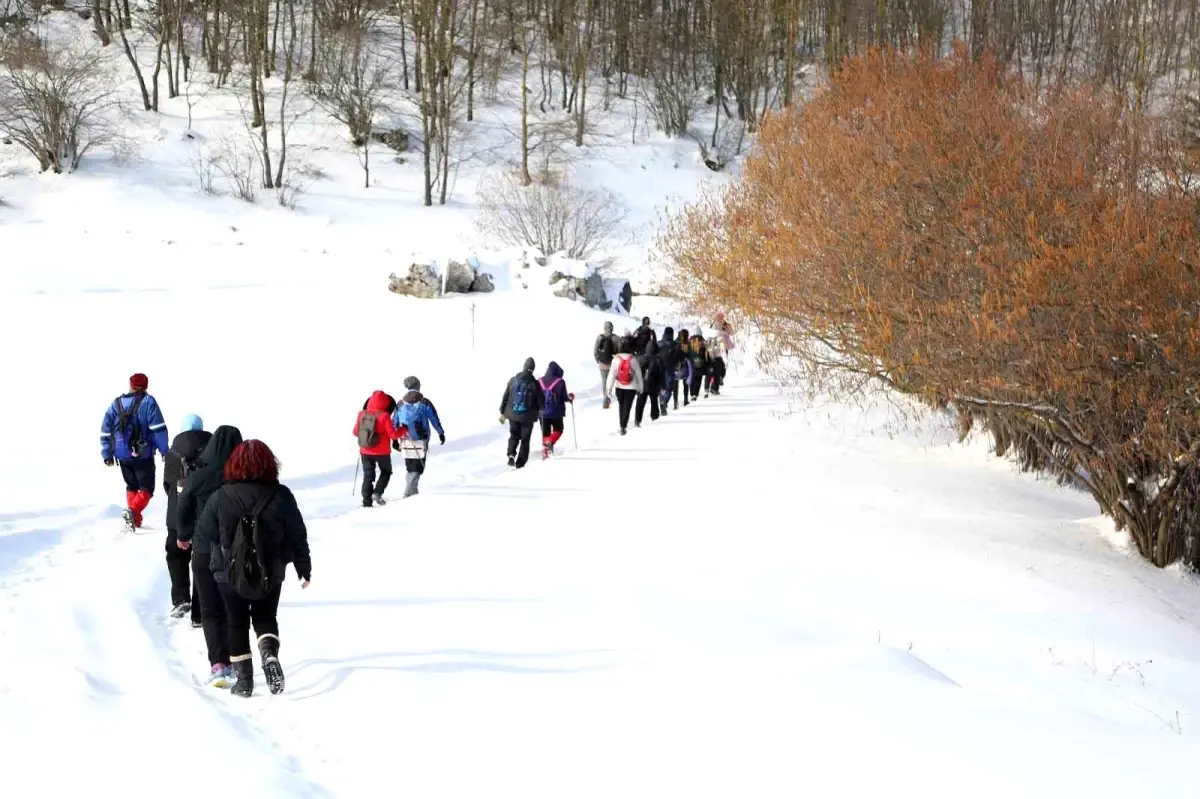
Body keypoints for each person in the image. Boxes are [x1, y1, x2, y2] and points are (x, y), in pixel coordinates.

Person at [197, 439, 311, 698]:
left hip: (228, 572)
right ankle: (269, 652)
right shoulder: (281, 495)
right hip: (271, 570)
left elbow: (204, 532)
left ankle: (244, 682)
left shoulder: (220, 497)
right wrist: (304, 567)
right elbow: (297, 534)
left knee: (236, 623)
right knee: (265, 617)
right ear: (270, 464)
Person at [177, 425, 243, 688]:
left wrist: (183, 535)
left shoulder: (198, 476)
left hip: (204, 549)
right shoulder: (242, 476)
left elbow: (183, 506)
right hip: (235, 551)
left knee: (209, 609)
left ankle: (218, 663)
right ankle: (238, 659)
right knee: (233, 607)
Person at [101, 373, 170, 530]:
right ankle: (132, 511)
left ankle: (135, 520)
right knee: (147, 489)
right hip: (142, 454)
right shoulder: (148, 401)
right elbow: (158, 429)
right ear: (146, 386)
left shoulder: (116, 404)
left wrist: (107, 453)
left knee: (131, 486)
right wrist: (165, 451)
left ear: (130, 385)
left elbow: (106, 430)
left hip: (122, 455)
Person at [164, 413, 211, 624]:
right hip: (205, 514)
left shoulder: (173, 452)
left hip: (176, 514)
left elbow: (168, 484)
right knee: (202, 560)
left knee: (176, 556)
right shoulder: (212, 449)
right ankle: (200, 609)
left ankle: (181, 599)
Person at [392, 376, 446, 497]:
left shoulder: (400, 404)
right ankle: (410, 493)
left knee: (410, 464)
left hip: (405, 438)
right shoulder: (424, 402)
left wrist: (394, 439)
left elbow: (394, 422)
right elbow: (434, 418)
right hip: (422, 437)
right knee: (418, 465)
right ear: (418, 386)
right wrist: (440, 433)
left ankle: (411, 490)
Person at [355, 390, 402, 507]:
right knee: (386, 472)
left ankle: (366, 502)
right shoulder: (385, 416)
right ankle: (377, 493)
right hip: (382, 452)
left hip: (365, 450)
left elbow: (355, 432)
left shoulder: (362, 414)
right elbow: (393, 435)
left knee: (368, 475)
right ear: (386, 403)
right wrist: (403, 429)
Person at [499, 357, 545, 468]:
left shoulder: (513, 380)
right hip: (527, 417)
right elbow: (541, 402)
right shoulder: (535, 384)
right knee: (525, 439)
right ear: (533, 369)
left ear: (524, 367)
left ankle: (511, 455)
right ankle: (520, 464)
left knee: (514, 435)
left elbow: (505, 396)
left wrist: (502, 412)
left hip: (513, 414)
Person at [537, 361, 574, 459]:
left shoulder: (539, 381)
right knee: (558, 430)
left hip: (542, 412)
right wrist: (570, 398)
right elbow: (565, 397)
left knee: (545, 433)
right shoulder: (560, 382)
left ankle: (545, 453)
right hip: (556, 412)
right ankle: (550, 443)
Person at [606, 339, 644, 435]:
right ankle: (624, 426)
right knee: (627, 407)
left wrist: (608, 389)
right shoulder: (633, 360)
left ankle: (621, 424)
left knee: (621, 406)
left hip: (619, 386)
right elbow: (639, 375)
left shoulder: (616, 359)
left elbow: (611, 375)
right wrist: (641, 387)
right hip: (631, 388)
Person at [635, 339, 663, 426]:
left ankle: (637, 420)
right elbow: (661, 374)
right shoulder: (658, 360)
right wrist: (662, 385)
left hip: (643, 385)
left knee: (640, 403)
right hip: (654, 385)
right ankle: (654, 417)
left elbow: (636, 373)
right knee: (654, 402)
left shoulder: (641, 359)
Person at [593, 321, 620, 410]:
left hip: (602, 365)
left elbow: (595, 351)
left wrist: (598, 360)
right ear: (612, 328)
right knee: (611, 381)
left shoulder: (599, 338)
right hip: (612, 364)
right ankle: (608, 396)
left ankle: (606, 399)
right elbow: (619, 350)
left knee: (604, 382)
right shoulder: (616, 338)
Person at [674, 331, 694, 409]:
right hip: (684, 366)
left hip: (675, 366)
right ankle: (685, 399)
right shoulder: (686, 344)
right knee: (685, 383)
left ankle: (675, 402)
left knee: (675, 385)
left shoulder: (675, 342)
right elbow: (689, 355)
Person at [687, 333, 709, 401]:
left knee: (692, 379)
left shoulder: (689, 342)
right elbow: (706, 354)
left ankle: (692, 394)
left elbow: (686, 353)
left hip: (691, 365)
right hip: (700, 365)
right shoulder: (703, 342)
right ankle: (695, 395)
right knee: (698, 380)